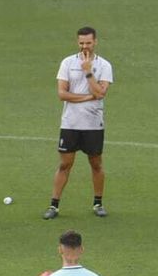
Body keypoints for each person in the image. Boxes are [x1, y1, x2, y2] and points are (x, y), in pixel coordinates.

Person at [46, 27, 113, 220]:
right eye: (81, 43)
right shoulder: (67, 63)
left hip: (93, 124)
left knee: (96, 163)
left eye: (88, 43)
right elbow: (62, 94)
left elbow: (100, 93)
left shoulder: (104, 65)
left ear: (95, 42)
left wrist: (88, 72)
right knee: (65, 164)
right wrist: (87, 97)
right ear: (78, 42)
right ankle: (54, 205)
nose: (85, 46)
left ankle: (98, 203)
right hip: (70, 123)